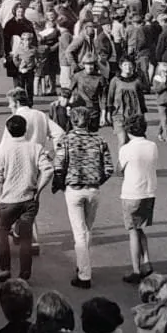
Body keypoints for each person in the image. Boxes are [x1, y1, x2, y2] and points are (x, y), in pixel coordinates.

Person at [53, 105, 115, 290]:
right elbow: (109, 169)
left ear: (72, 121)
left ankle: (84, 274)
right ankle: (83, 264)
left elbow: (58, 166)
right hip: (93, 190)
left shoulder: (66, 140)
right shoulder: (99, 140)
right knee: (87, 230)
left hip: (74, 189)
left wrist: (62, 183)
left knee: (79, 233)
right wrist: (96, 180)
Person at [0, 113, 52, 283]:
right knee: (26, 237)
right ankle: (24, 273)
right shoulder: (36, 148)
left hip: (9, 199)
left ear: (8, 131)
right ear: (25, 130)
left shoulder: (2, 151)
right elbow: (48, 170)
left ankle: (5, 268)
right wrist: (38, 190)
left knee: (2, 231)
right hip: (29, 198)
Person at [118, 115, 159, 284]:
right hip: (149, 192)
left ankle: (136, 269)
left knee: (133, 231)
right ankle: (147, 261)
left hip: (132, 192)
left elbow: (119, 169)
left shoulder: (126, 148)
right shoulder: (152, 146)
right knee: (140, 227)